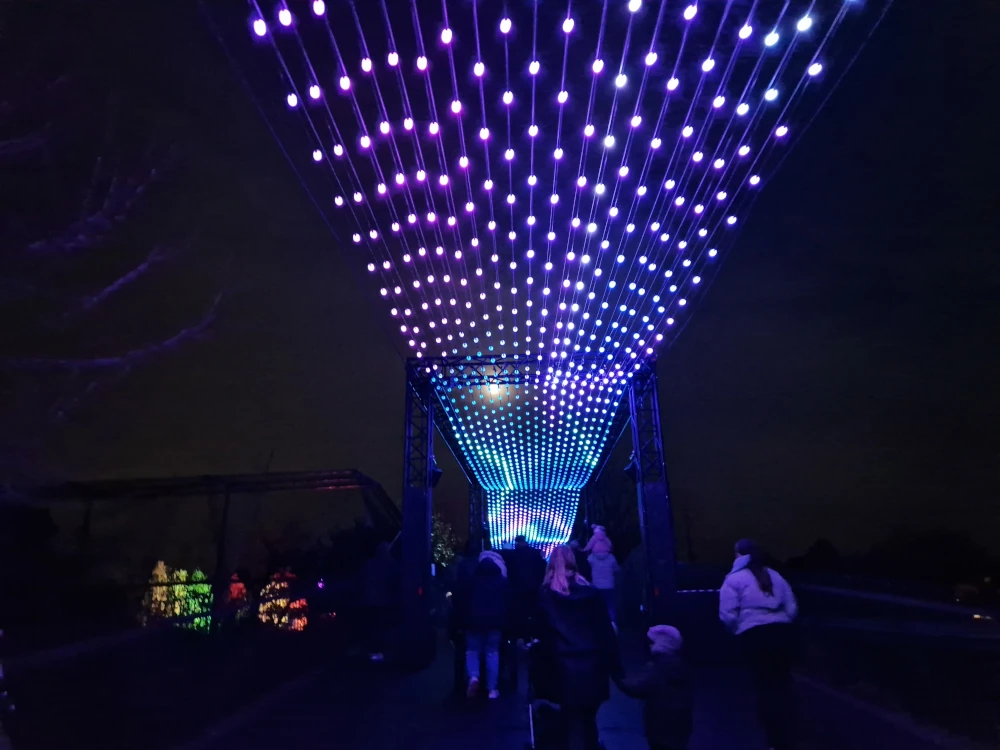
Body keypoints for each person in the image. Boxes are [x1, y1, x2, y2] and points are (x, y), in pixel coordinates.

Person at [534, 545, 621, 750]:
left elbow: (542, 636)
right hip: (592, 665)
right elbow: (605, 633)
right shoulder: (591, 593)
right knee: (589, 721)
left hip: (562, 666)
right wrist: (616, 668)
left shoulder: (546, 596)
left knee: (571, 722)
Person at [719, 539, 799, 750]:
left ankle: (773, 737)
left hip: (755, 636)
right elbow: (791, 605)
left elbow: (727, 614)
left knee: (764, 685)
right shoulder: (774, 575)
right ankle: (789, 734)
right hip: (782, 633)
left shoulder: (734, 579)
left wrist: (737, 630)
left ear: (738, 555)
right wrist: (784, 621)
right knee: (782, 683)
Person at [614, 625, 693, 750]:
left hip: (659, 725)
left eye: (652, 642)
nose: (650, 645)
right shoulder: (681, 664)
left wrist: (617, 677)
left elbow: (638, 688)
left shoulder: (658, 666)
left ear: (661, 643)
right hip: (681, 723)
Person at [463, 550, 509, 699]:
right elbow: (509, 603)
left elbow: (462, 601)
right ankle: (492, 689)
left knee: (472, 651)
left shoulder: (471, 581)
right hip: (495, 623)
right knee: (492, 653)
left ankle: (474, 677)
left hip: (473, 622)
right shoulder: (502, 582)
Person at [361, 540, 396, 662]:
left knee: (373, 627)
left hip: (370, 601)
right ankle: (380, 652)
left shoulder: (369, 564)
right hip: (383, 602)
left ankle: (372, 651)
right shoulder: (390, 564)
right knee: (381, 627)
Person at [587, 546, 619, 627]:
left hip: (596, 586)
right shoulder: (611, 557)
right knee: (610, 607)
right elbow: (616, 569)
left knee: (598, 607)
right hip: (609, 585)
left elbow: (587, 570)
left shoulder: (591, 558)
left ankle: (599, 625)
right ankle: (613, 626)